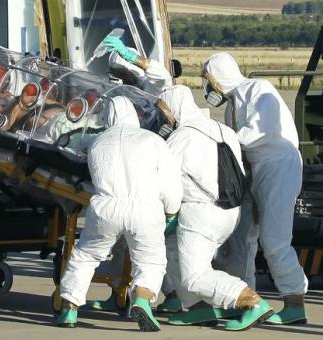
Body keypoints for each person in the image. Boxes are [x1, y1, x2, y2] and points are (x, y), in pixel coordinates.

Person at [56, 96, 183, 331]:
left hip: (106, 207)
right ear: (134, 115)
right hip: (145, 209)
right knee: (150, 260)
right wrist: (171, 211)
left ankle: (69, 308)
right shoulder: (153, 140)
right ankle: (143, 300)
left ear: (107, 117)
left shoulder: (97, 142)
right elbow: (170, 182)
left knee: (86, 256)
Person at [202, 52, 308, 325]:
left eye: (208, 79)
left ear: (218, 76)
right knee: (241, 238)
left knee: (274, 240)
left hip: (278, 167)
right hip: (254, 170)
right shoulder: (231, 105)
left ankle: (294, 302)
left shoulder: (259, 89)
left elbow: (261, 131)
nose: (207, 87)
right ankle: (245, 299)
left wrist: (223, 141)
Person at [161, 85, 273, 331]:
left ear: (173, 109)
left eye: (164, 112)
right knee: (172, 251)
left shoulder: (180, 137)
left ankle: (251, 302)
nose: (164, 118)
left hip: (199, 215)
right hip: (230, 212)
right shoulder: (223, 129)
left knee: (195, 276)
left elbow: (165, 181)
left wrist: (165, 213)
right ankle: (198, 308)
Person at [91, 36, 182, 315]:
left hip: (153, 172)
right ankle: (119, 292)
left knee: (155, 244)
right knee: (120, 240)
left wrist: (130, 57)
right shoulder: (114, 99)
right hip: (125, 173)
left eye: (124, 73)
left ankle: (173, 294)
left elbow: (162, 76)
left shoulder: (151, 90)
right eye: (116, 74)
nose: (120, 79)